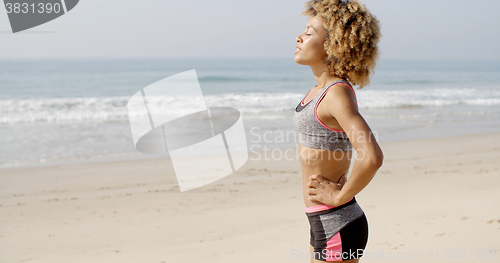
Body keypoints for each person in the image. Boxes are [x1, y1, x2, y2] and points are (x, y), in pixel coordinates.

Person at [293, 0, 383, 262]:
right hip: (321, 221)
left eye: (309, 33)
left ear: (333, 45)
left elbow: (372, 156)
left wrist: (341, 195)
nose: (298, 37)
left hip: (337, 221)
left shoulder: (336, 93)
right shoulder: (316, 92)